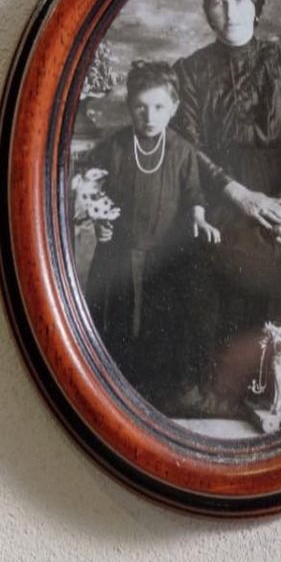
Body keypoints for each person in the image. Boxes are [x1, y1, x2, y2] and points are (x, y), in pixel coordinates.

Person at [173, 0, 281, 411]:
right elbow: (188, 147)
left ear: (255, 7)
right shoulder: (190, 70)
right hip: (218, 186)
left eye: (238, 0)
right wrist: (238, 194)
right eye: (218, 3)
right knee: (205, 261)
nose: (230, 11)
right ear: (207, 13)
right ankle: (219, 390)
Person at [79, 61, 220, 409]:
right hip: (120, 252)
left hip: (161, 255)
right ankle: (115, 394)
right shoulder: (114, 147)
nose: (149, 116)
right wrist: (98, 219)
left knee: (160, 322)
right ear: (130, 107)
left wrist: (199, 218)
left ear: (174, 107)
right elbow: (90, 187)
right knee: (119, 319)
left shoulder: (182, 151)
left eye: (158, 107)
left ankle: (158, 396)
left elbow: (194, 194)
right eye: (140, 107)